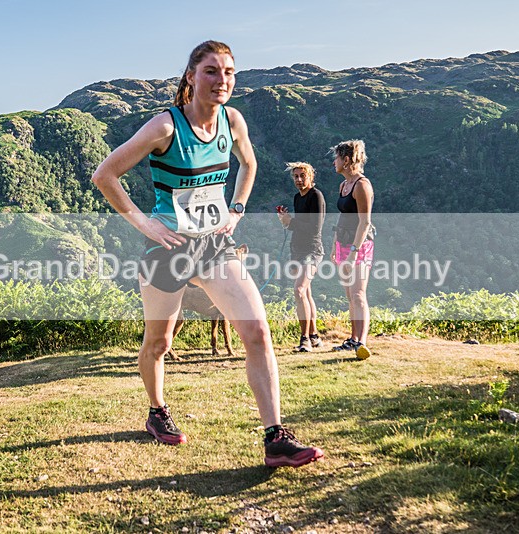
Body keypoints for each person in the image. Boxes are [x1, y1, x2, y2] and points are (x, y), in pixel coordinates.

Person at [91, 40, 323, 468]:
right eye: (212, 71)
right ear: (191, 77)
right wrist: (146, 224)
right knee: (159, 341)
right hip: (169, 249)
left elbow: (248, 165)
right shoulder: (165, 127)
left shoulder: (233, 121)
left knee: (257, 332)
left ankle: (275, 437)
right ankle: (157, 411)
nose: (222, 80)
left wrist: (236, 210)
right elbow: (105, 175)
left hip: (216, 245)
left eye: (229, 72)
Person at [330, 140, 374, 360]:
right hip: (343, 243)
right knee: (349, 294)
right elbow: (343, 217)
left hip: (360, 246)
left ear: (346, 160)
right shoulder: (344, 185)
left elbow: (365, 222)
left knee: (358, 294)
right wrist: (334, 245)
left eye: (337, 158)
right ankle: (353, 338)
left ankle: (362, 343)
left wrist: (354, 252)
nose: (334, 162)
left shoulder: (362, 186)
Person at [277, 162, 325, 352]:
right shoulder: (298, 197)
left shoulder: (316, 196)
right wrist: (286, 221)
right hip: (296, 248)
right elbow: (295, 226)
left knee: (299, 290)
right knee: (306, 293)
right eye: (295, 176)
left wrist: (292, 222)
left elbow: (315, 228)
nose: (298, 180)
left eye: (302, 176)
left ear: (310, 176)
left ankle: (304, 338)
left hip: (312, 250)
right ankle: (314, 336)